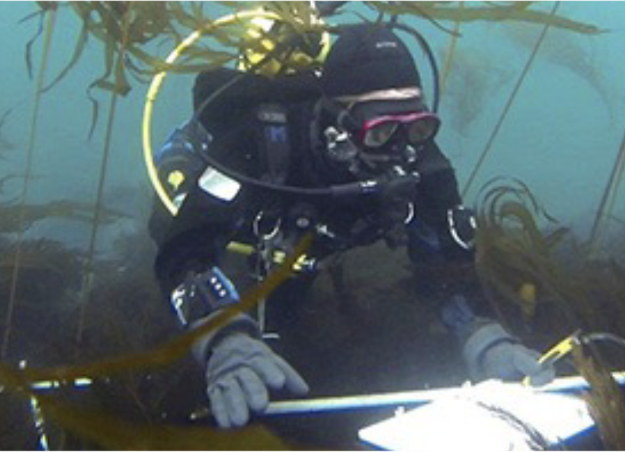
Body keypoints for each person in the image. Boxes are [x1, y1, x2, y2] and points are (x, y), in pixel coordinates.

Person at [148, 23, 554, 429]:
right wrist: (221, 333)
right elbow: (185, 250)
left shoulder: (420, 157)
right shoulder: (260, 141)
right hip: (256, 234)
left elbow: (445, 262)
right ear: (335, 120)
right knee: (251, 339)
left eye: (416, 125)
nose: (402, 147)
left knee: (289, 329)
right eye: (380, 131)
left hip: (312, 246)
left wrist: (480, 332)